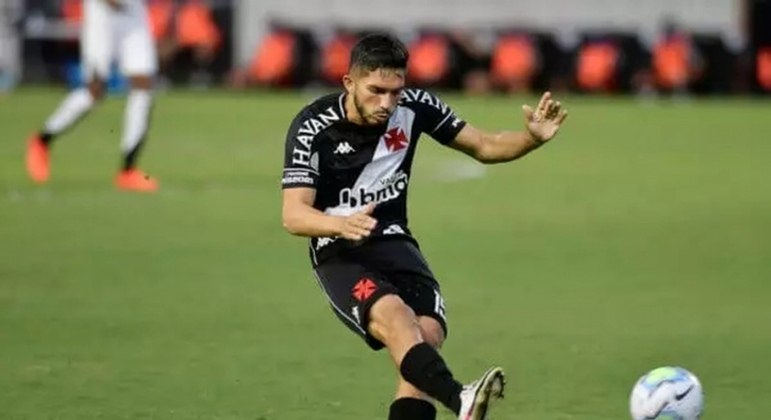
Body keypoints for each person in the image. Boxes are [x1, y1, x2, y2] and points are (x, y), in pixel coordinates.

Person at [281, 33, 568, 420]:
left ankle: (453, 400)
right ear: (349, 82)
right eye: (376, 90)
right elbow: (293, 215)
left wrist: (530, 139)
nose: (386, 103)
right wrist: (339, 223)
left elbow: (483, 145)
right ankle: (462, 400)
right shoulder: (313, 126)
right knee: (398, 319)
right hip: (338, 247)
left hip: (393, 241)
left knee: (426, 337)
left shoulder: (415, 107)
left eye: (395, 91)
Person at [26, 0, 159, 192]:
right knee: (95, 92)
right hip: (102, 12)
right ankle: (42, 139)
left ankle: (128, 169)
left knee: (143, 86)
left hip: (133, 11)